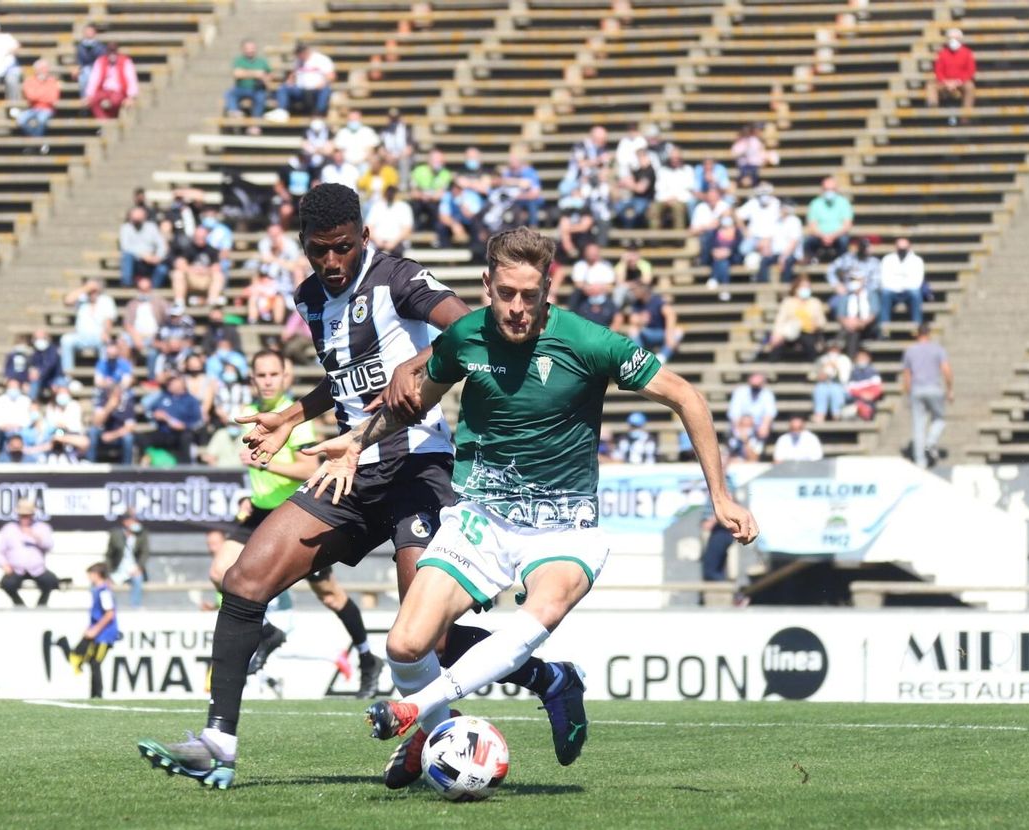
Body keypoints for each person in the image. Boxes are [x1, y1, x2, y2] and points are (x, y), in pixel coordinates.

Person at [137, 185, 578, 791]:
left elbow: (469, 328)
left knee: (428, 637)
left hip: (420, 467)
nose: (333, 262)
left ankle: (545, 680)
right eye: (321, 251)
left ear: (363, 238)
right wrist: (293, 415)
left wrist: (415, 367)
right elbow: (344, 378)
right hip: (350, 467)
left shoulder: (399, 279)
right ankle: (218, 743)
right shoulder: (309, 298)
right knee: (244, 580)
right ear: (305, 248)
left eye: (344, 248)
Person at [293, 227, 757, 753]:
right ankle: (471, 729)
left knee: (545, 605)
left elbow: (687, 397)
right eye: (507, 294)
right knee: (404, 646)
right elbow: (415, 402)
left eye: (530, 296)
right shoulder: (466, 337)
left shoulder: (588, 342)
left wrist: (721, 495)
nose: (517, 308)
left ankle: (416, 717)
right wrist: (356, 441)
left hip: (563, 524)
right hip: (482, 519)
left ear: (548, 288)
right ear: (487, 285)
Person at [208, 349, 383, 693]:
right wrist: (249, 495)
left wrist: (265, 465)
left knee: (330, 596)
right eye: (261, 375)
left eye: (274, 374)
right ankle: (268, 632)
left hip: (293, 514)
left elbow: (307, 468)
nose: (268, 380)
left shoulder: (295, 415)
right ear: (252, 379)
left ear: (285, 377)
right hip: (258, 512)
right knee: (219, 573)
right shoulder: (248, 415)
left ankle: (366, 656)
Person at [900, 323, 952, 467]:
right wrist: (950, 389)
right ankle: (930, 442)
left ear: (917, 334)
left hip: (916, 389)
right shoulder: (937, 349)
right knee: (939, 419)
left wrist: (908, 392)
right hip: (934, 388)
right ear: (929, 334)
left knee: (918, 425)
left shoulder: (910, 351)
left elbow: (907, 375)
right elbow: (946, 370)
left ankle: (919, 461)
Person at [68, 563, 120, 699]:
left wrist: (95, 630)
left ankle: (98, 695)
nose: (89, 578)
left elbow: (109, 614)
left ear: (97, 574)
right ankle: (94, 695)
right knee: (92, 663)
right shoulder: (99, 590)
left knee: (95, 663)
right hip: (99, 634)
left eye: (90, 574)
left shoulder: (104, 592)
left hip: (105, 635)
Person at [0, 497, 59, 606]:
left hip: (37, 569)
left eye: (27, 516)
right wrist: (4, 565)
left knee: (52, 581)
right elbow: (0, 551)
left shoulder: (42, 527)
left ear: (32, 515)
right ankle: (20, 605)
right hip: (16, 569)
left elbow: (49, 546)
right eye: (22, 516)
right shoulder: (9, 529)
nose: (25, 518)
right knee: (7, 584)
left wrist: (35, 536)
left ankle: (41, 606)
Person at [926, 28, 976, 123]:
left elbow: (970, 71)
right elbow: (938, 71)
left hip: (961, 82)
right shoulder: (942, 53)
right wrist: (946, 82)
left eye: (956, 38)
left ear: (960, 39)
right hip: (945, 82)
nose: (953, 40)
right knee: (931, 85)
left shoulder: (967, 53)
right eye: (951, 38)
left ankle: (965, 117)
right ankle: (933, 110)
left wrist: (958, 82)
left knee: (970, 87)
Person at [275, 42, 335, 117]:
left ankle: (318, 114)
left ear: (307, 51)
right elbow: (294, 73)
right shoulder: (298, 60)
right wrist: (290, 81)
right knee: (283, 88)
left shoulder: (321, 59)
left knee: (325, 90)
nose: (300, 55)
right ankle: (282, 111)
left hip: (316, 90)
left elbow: (331, 76)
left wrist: (323, 82)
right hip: (301, 90)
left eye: (301, 53)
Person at [878, 237, 925, 331]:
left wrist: (900, 283)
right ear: (895, 247)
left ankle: (917, 327)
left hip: (909, 291)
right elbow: (884, 280)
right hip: (892, 291)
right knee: (885, 294)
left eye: (904, 248)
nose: (902, 251)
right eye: (900, 248)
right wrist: (901, 283)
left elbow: (916, 282)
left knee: (916, 294)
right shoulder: (887, 259)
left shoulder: (917, 260)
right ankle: (884, 329)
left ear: (909, 247)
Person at [802, 175, 853, 262]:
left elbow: (847, 225)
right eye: (827, 189)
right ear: (822, 190)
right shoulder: (815, 203)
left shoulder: (844, 203)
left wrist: (832, 236)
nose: (829, 192)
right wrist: (823, 236)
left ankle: (842, 263)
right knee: (808, 241)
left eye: (832, 189)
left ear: (836, 190)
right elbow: (812, 226)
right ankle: (812, 263)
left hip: (837, 236)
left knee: (844, 240)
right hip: (819, 236)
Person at [105, 509, 149, 608]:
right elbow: (109, 555)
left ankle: (135, 607)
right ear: (125, 522)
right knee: (104, 585)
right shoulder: (116, 534)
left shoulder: (141, 534)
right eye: (131, 520)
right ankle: (108, 608)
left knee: (138, 579)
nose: (134, 523)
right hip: (118, 568)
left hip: (134, 568)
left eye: (135, 520)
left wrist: (139, 567)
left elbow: (145, 553)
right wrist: (108, 572)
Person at [84, 43, 138, 120]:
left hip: (119, 91)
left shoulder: (126, 61)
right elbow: (94, 79)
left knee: (115, 101)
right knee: (93, 100)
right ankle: (103, 121)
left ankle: (111, 120)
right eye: (110, 52)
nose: (112, 54)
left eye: (114, 52)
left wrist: (131, 97)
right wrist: (89, 95)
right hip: (104, 90)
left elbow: (131, 79)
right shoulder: (100, 61)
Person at [15, 59, 60, 140]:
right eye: (42, 68)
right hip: (33, 108)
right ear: (36, 70)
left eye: (46, 68)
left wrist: (38, 94)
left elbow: (53, 98)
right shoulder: (29, 80)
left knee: (41, 120)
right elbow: (30, 96)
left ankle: (35, 144)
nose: (45, 71)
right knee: (21, 119)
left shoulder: (52, 81)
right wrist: (44, 94)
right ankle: (39, 143)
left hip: (47, 109)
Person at [225, 39, 271, 117]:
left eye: (252, 48)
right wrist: (256, 73)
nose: (250, 50)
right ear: (242, 49)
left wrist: (245, 72)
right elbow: (236, 74)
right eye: (247, 48)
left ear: (256, 48)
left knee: (260, 97)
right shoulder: (238, 60)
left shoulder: (262, 61)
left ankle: (256, 122)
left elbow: (268, 75)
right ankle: (234, 112)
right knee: (229, 93)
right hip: (241, 88)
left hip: (257, 89)